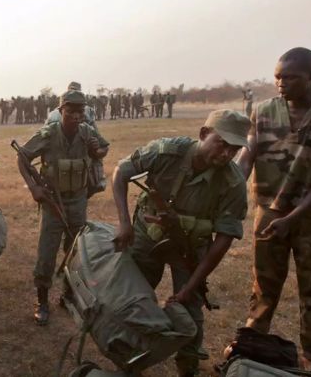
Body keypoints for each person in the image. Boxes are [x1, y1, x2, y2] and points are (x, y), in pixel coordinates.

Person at [238, 47, 311, 370]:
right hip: (269, 213)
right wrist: (231, 189)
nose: (281, 83)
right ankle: (252, 343)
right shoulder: (263, 112)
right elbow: (248, 156)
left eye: (290, 77)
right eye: (277, 77)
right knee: (264, 284)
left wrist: (293, 217)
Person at [111, 109, 250, 376]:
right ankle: (129, 358)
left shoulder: (233, 183)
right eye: (222, 144)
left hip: (189, 247)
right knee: (134, 296)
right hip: (146, 233)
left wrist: (191, 285)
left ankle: (188, 366)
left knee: (190, 311)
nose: (226, 154)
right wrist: (125, 223)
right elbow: (121, 172)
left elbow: (223, 241)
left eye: (234, 149)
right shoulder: (166, 152)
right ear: (203, 134)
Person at [17, 89, 109, 326]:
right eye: (70, 111)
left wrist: (94, 149)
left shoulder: (88, 132)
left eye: (80, 111)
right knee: (47, 250)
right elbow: (23, 157)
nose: (76, 116)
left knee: (75, 250)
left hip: (78, 200)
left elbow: (103, 150)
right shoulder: (48, 134)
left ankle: (68, 295)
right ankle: (42, 301)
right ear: (61, 111)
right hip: (53, 202)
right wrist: (33, 188)